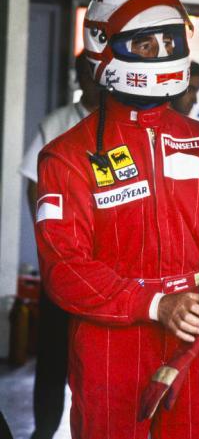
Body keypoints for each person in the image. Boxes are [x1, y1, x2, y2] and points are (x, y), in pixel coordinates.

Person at [35, 0, 199, 439]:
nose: (161, 53)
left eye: (169, 42)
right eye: (145, 44)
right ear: (104, 46)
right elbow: (65, 270)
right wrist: (154, 304)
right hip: (109, 340)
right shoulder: (67, 154)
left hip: (196, 336)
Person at [20, 51, 100, 439]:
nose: (93, 79)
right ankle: (44, 430)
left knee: (100, 356)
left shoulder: (121, 126)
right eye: (86, 72)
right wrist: (50, 242)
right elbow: (33, 184)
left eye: (98, 71)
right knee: (53, 354)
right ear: (79, 77)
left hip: (108, 266)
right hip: (65, 261)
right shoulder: (57, 124)